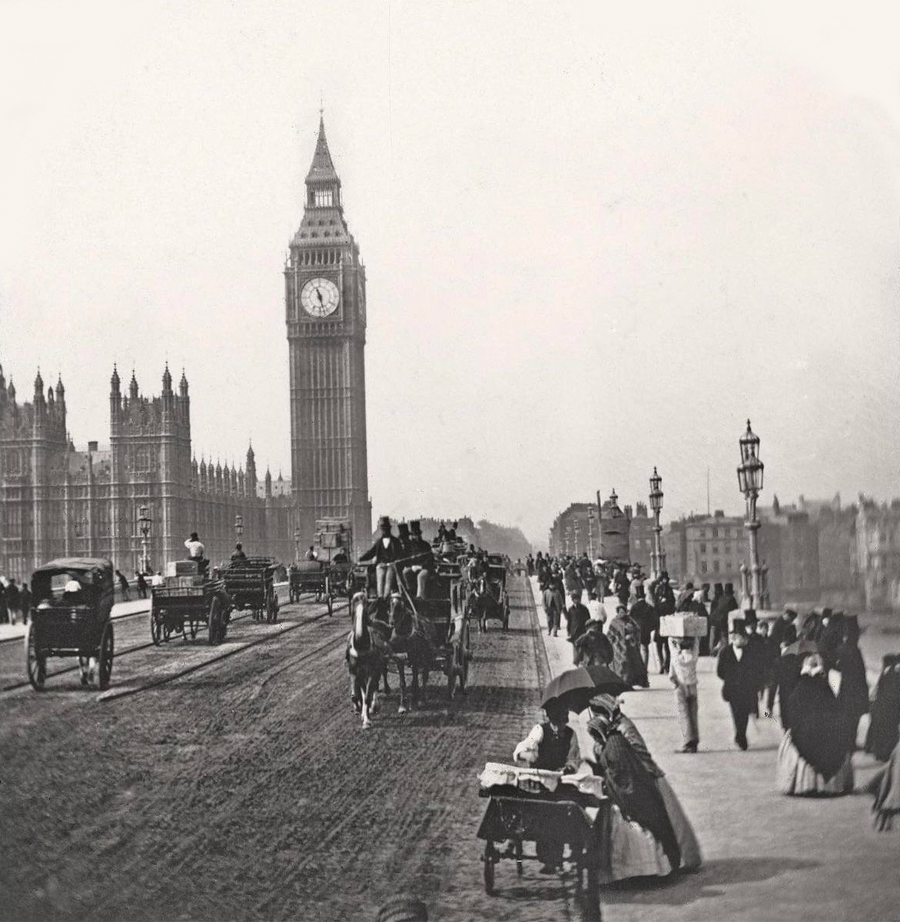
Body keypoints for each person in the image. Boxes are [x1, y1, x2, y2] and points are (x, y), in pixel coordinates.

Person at [584, 694, 702, 875]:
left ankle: (682, 859)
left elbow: (637, 753)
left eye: (598, 712)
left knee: (667, 819)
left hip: (646, 776)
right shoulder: (611, 728)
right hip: (630, 777)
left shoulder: (624, 727)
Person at [513, 697, 580, 873]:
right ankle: (548, 859)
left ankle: (557, 858)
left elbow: (574, 759)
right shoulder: (539, 731)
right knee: (542, 814)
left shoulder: (571, 735)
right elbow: (522, 749)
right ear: (550, 720)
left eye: (563, 723)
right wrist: (528, 756)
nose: (559, 728)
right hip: (539, 783)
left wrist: (568, 767)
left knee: (563, 813)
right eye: (556, 723)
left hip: (559, 782)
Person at [776, 652, 854, 796]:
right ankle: (830, 784)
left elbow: (792, 712)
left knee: (796, 742)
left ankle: (805, 784)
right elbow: (836, 711)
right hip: (827, 733)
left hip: (805, 732)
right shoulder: (825, 688)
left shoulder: (800, 688)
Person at [716, 620, 760, 750]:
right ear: (735, 638)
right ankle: (740, 735)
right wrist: (730, 679)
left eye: (744, 637)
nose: (743, 640)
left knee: (744, 713)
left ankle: (741, 735)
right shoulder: (725, 653)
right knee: (736, 713)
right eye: (741, 637)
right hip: (732, 689)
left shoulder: (751, 651)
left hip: (747, 689)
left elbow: (755, 670)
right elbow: (720, 672)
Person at [865, 655, 900, 762]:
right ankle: (884, 753)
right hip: (890, 705)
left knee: (881, 728)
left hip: (882, 704)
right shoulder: (895, 672)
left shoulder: (887, 671)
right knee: (889, 729)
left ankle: (877, 751)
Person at [358, 516, 403, 598]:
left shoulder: (396, 542)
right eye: (383, 529)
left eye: (386, 529)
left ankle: (385, 598)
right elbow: (371, 552)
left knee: (388, 581)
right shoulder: (378, 542)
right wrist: (361, 558)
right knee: (380, 581)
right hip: (381, 565)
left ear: (389, 529)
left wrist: (395, 561)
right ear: (381, 530)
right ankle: (380, 598)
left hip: (392, 566)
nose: (385, 531)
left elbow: (400, 554)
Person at [607, 603, 649, 688]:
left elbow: (637, 630)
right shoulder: (614, 622)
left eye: (623, 612)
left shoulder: (630, 621)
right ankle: (621, 683)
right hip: (618, 647)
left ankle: (630, 683)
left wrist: (632, 636)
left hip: (630, 647)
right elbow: (610, 635)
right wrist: (617, 640)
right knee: (622, 665)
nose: (622, 614)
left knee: (631, 665)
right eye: (620, 612)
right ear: (617, 613)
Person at [669, 636, 700, 753]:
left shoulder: (676, 657)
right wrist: (695, 639)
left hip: (680, 686)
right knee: (693, 713)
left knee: (684, 714)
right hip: (692, 686)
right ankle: (695, 740)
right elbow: (696, 645)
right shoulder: (694, 657)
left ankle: (688, 741)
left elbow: (671, 648)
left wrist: (671, 637)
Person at [650, 572, 675, 674]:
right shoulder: (659, 589)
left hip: (665, 621)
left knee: (666, 645)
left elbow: (672, 605)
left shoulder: (668, 590)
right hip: (661, 621)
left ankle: (666, 664)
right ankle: (662, 664)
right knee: (661, 645)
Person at [402, 520, 434, 599]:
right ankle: (410, 593)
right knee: (405, 572)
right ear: (411, 536)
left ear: (420, 534)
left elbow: (430, 559)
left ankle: (420, 597)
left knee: (420, 576)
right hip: (413, 568)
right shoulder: (408, 546)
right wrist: (411, 566)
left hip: (425, 568)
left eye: (417, 535)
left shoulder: (426, 545)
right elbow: (406, 559)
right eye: (414, 535)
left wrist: (421, 566)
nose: (415, 537)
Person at [629, 587, 657, 669]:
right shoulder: (648, 607)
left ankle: (639, 668)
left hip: (636, 630)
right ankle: (645, 667)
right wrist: (650, 628)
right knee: (645, 649)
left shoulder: (634, 607)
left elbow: (630, 620)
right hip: (646, 630)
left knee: (637, 649)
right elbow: (654, 620)